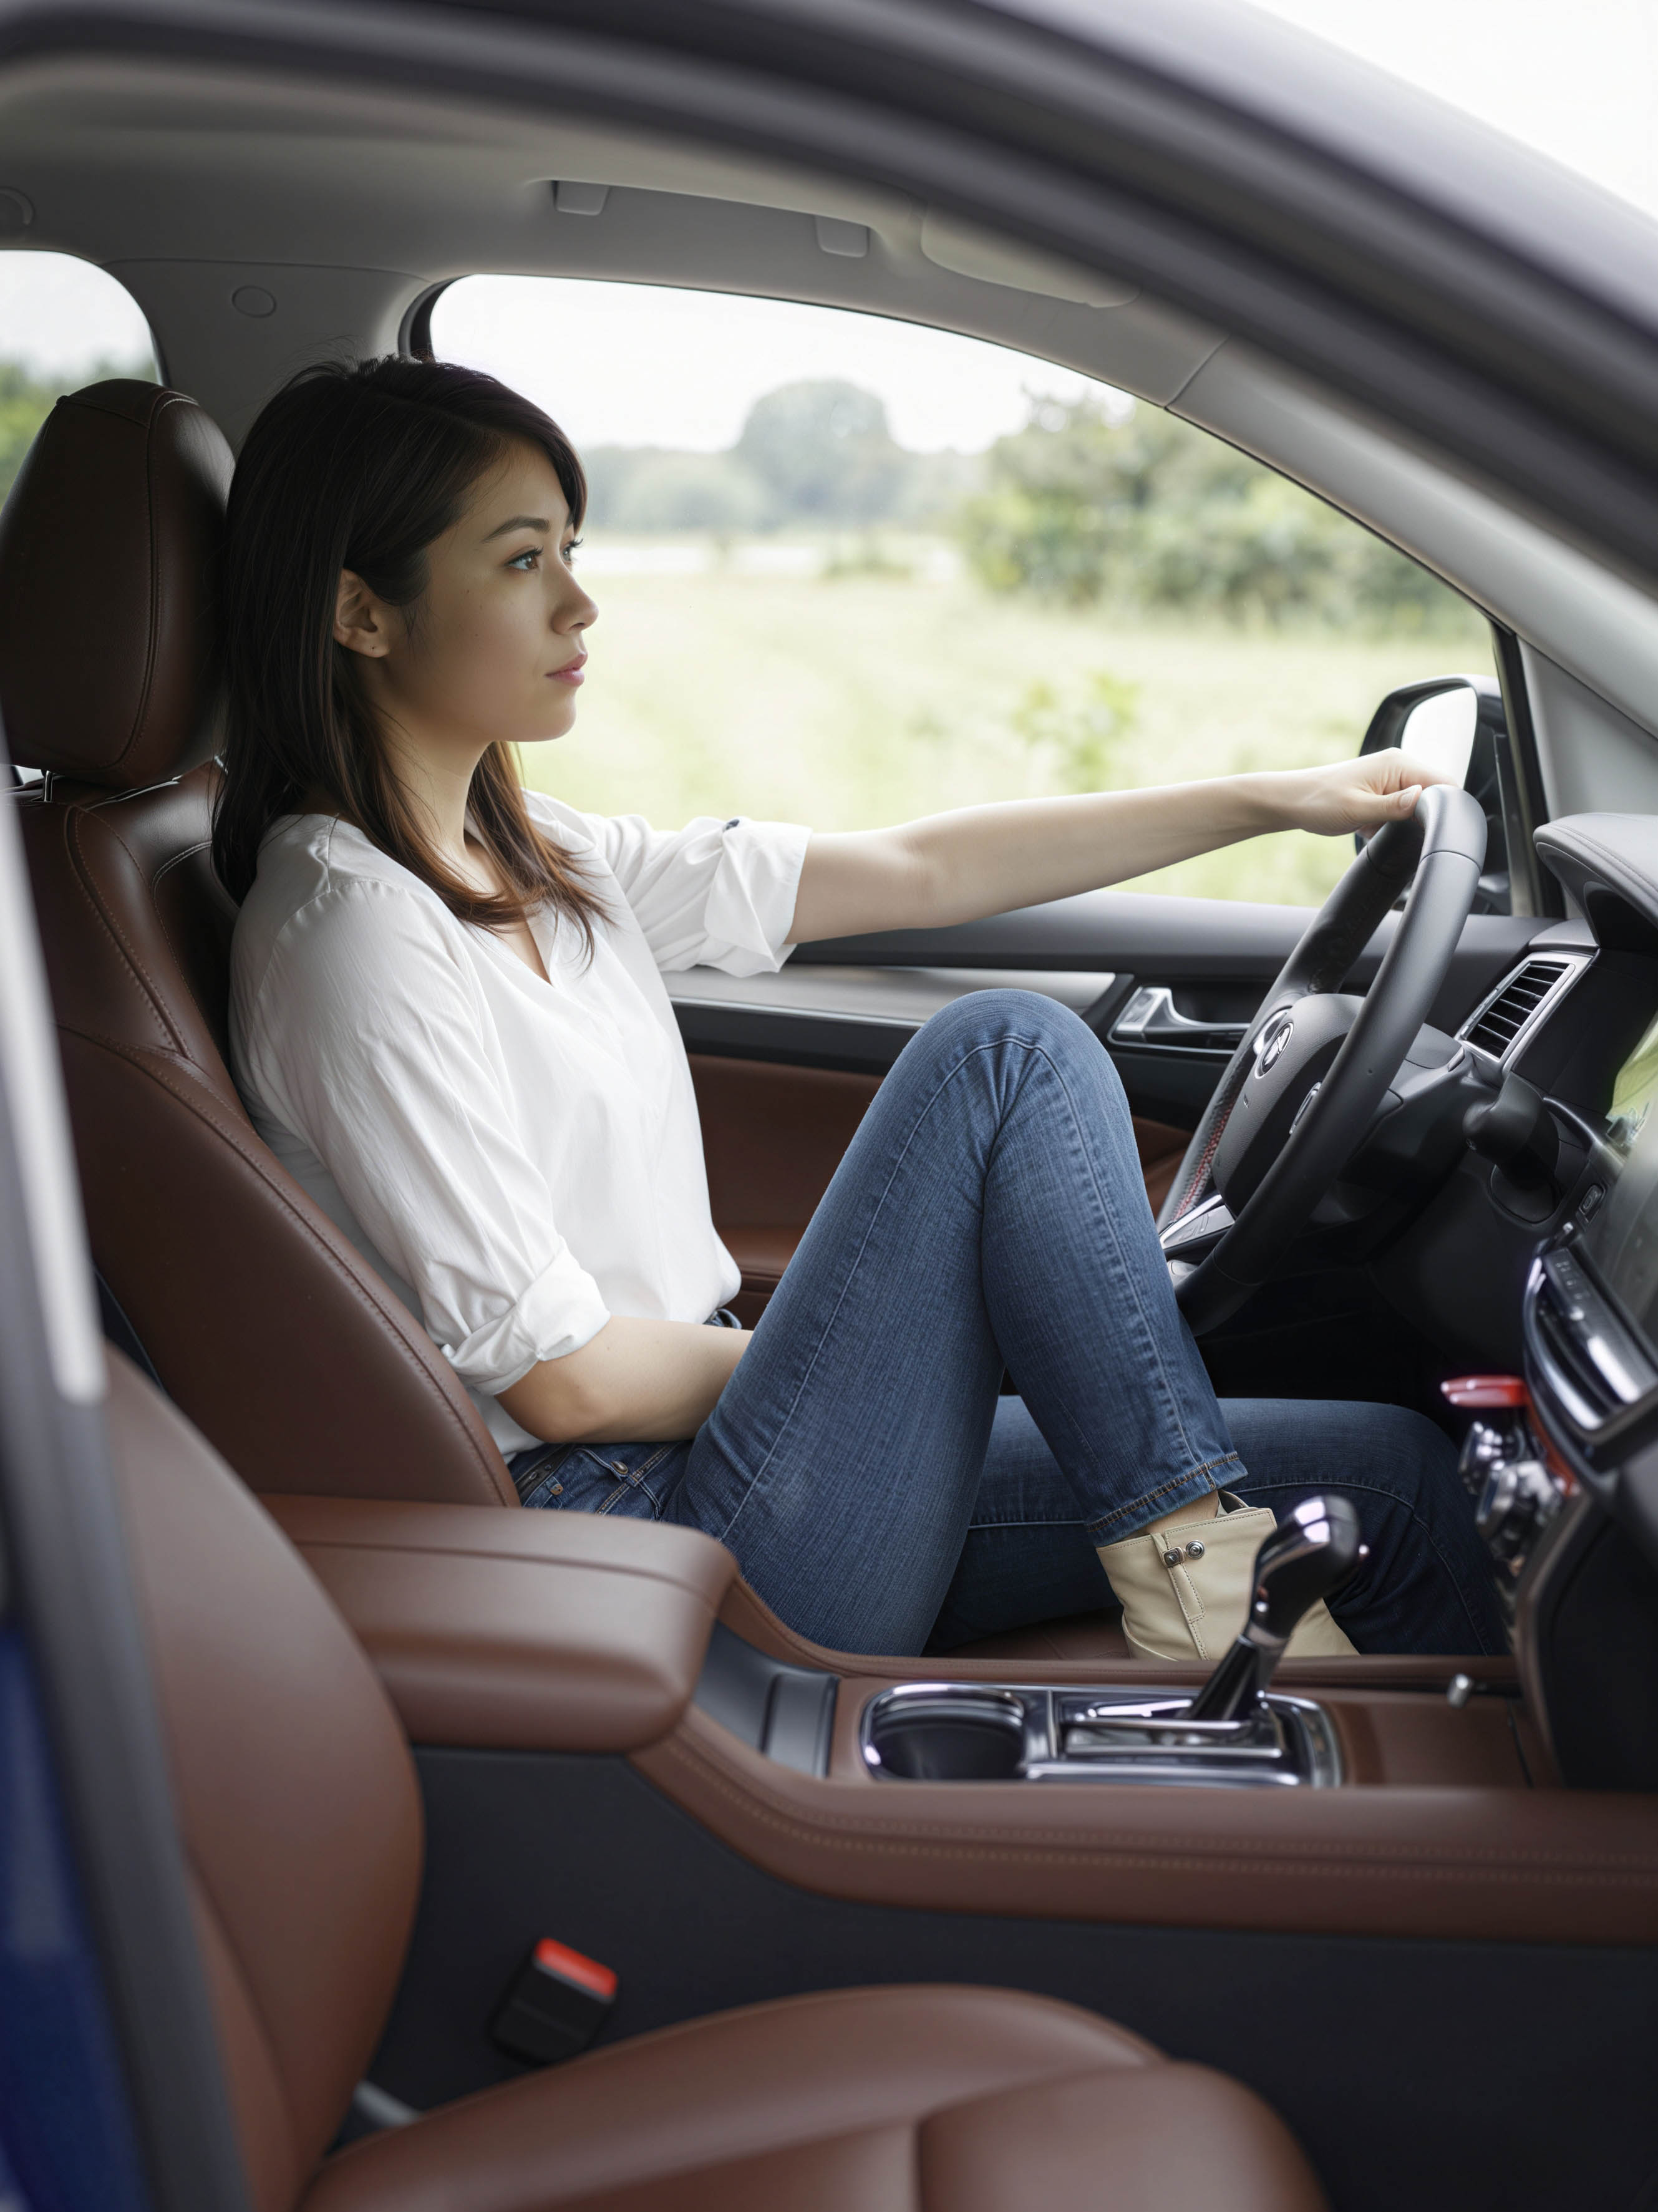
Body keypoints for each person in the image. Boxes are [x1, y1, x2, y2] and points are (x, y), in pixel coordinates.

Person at [218, 356, 1504, 1662]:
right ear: (362, 614)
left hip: (732, 1455)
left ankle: (1341, 1721)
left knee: (1394, 1479)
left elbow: (915, 871)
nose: (579, 602)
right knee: (1005, 1054)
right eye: (520, 560)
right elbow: (566, 1381)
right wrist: (883, 1361)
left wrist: (1275, 799)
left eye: (570, 550)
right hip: (637, 1522)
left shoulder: (539, 852)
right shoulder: (349, 931)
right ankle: (1198, 1587)